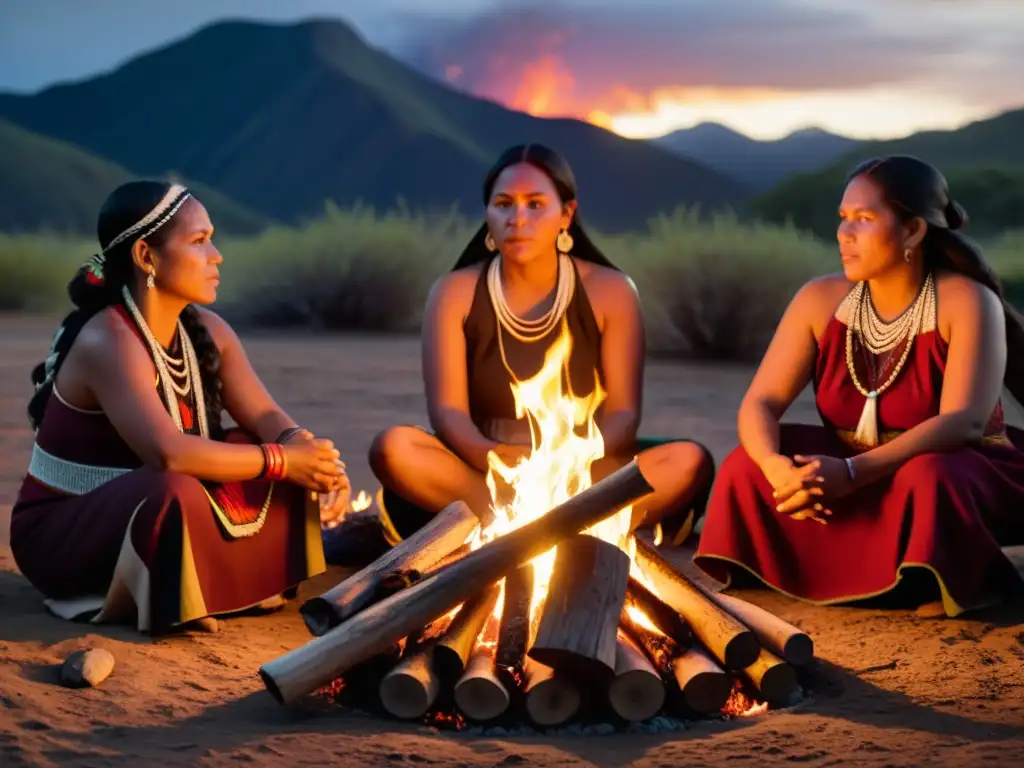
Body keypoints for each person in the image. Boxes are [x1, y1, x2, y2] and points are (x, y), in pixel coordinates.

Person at [324, 144, 714, 566]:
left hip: (584, 469)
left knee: (685, 461)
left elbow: (622, 414)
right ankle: (555, 530)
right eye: (504, 204)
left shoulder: (612, 291)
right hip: (482, 471)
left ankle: (517, 530)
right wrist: (495, 459)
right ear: (488, 214)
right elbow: (448, 412)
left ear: (566, 214)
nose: (518, 219)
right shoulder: (454, 291)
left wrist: (568, 460)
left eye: (536, 204)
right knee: (395, 448)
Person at [10, 181, 349, 634]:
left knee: (267, 451)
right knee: (180, 486)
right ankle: (185, 590)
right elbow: (168, 453)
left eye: (212, 238)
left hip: (155, 495)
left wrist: (314, 458)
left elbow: (266, 416)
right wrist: (285, 461)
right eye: (199, 241)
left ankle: (222, 585)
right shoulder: (108, 339)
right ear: (146, 256)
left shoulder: (208, 329)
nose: (217, 255)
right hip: (65, 533)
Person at [694, 155, 1024, 618]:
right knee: (747, 461)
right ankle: (796, 568)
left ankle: (930, 575)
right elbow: (762, 402)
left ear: (912, 231)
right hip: (849, 459)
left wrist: (851, 475)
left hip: (956, 468)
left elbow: (964, 422)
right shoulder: (818, 299)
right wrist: (776, 470)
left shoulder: (967, 301)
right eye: (843, 218)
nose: (844, 234)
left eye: (864, 219)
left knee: (929, 476)